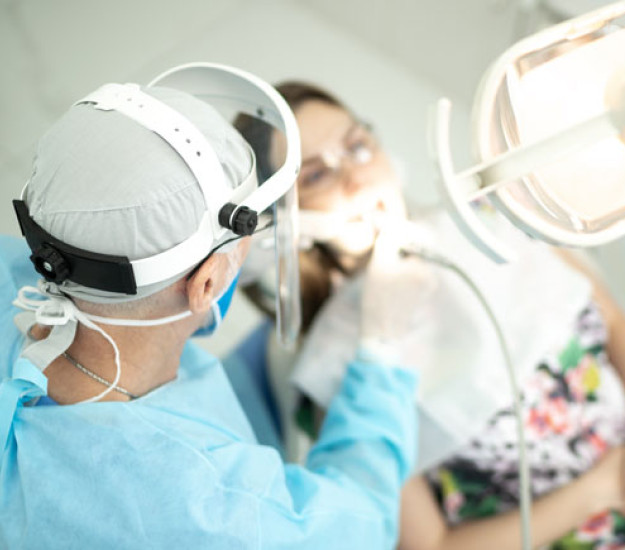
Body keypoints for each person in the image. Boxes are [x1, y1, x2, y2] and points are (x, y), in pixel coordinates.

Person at [238, 80, 625, 550]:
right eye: (316, 173)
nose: (356, 172)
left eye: (357, 144)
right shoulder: (335, 378)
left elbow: (616, 323)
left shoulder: (491, 221)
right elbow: (431, 545)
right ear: (281, 222)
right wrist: (600, 490)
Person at [0, 73, 422, 549]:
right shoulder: (210, 511)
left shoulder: (14, 267)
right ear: (204, 285)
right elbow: (363, 525)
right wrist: (380, 348)